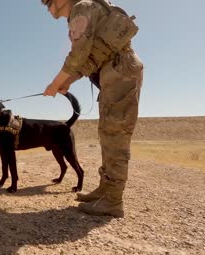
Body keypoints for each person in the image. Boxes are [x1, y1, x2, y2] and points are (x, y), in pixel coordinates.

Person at [41, 0, 144, 217]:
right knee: (107, 133)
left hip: (119, 70)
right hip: (114, 70)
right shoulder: (83, 10)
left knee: (115, 134)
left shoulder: (81, 8)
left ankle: (113, 201)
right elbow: (91, 58)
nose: (48, 9)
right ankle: (104, 191)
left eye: (47, 3)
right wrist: (68, 82)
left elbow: (77, 56)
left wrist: (55, 83)